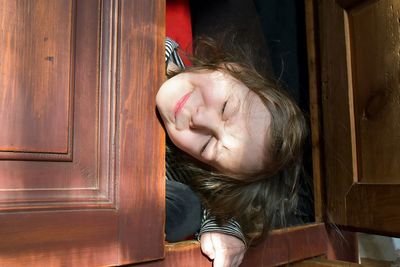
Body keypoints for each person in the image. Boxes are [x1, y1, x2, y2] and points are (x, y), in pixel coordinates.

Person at [158, 37, 310, 267]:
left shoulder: (183, 162)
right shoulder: (156, 49)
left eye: (208, 145)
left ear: (206, 168)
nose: (198, 118)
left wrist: (225, 227)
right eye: (225, 107)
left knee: (187, 209)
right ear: (230, 69)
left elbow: (216, 199)